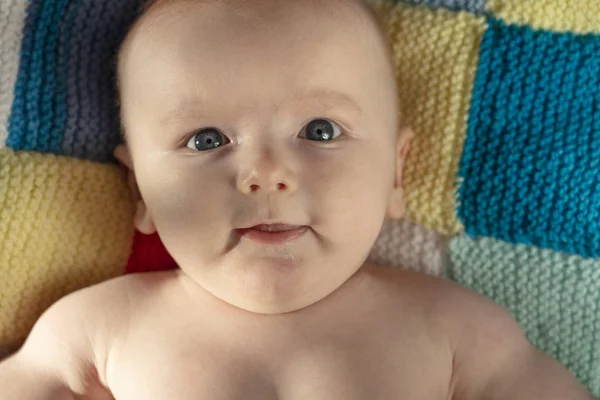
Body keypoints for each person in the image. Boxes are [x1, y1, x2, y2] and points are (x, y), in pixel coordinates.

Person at [0, 0, 595, 398]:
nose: (264, 175)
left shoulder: (454, 329)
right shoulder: (100, 327)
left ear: (394, 172)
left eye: (320, 131)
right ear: (141, 191)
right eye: (206, 140)